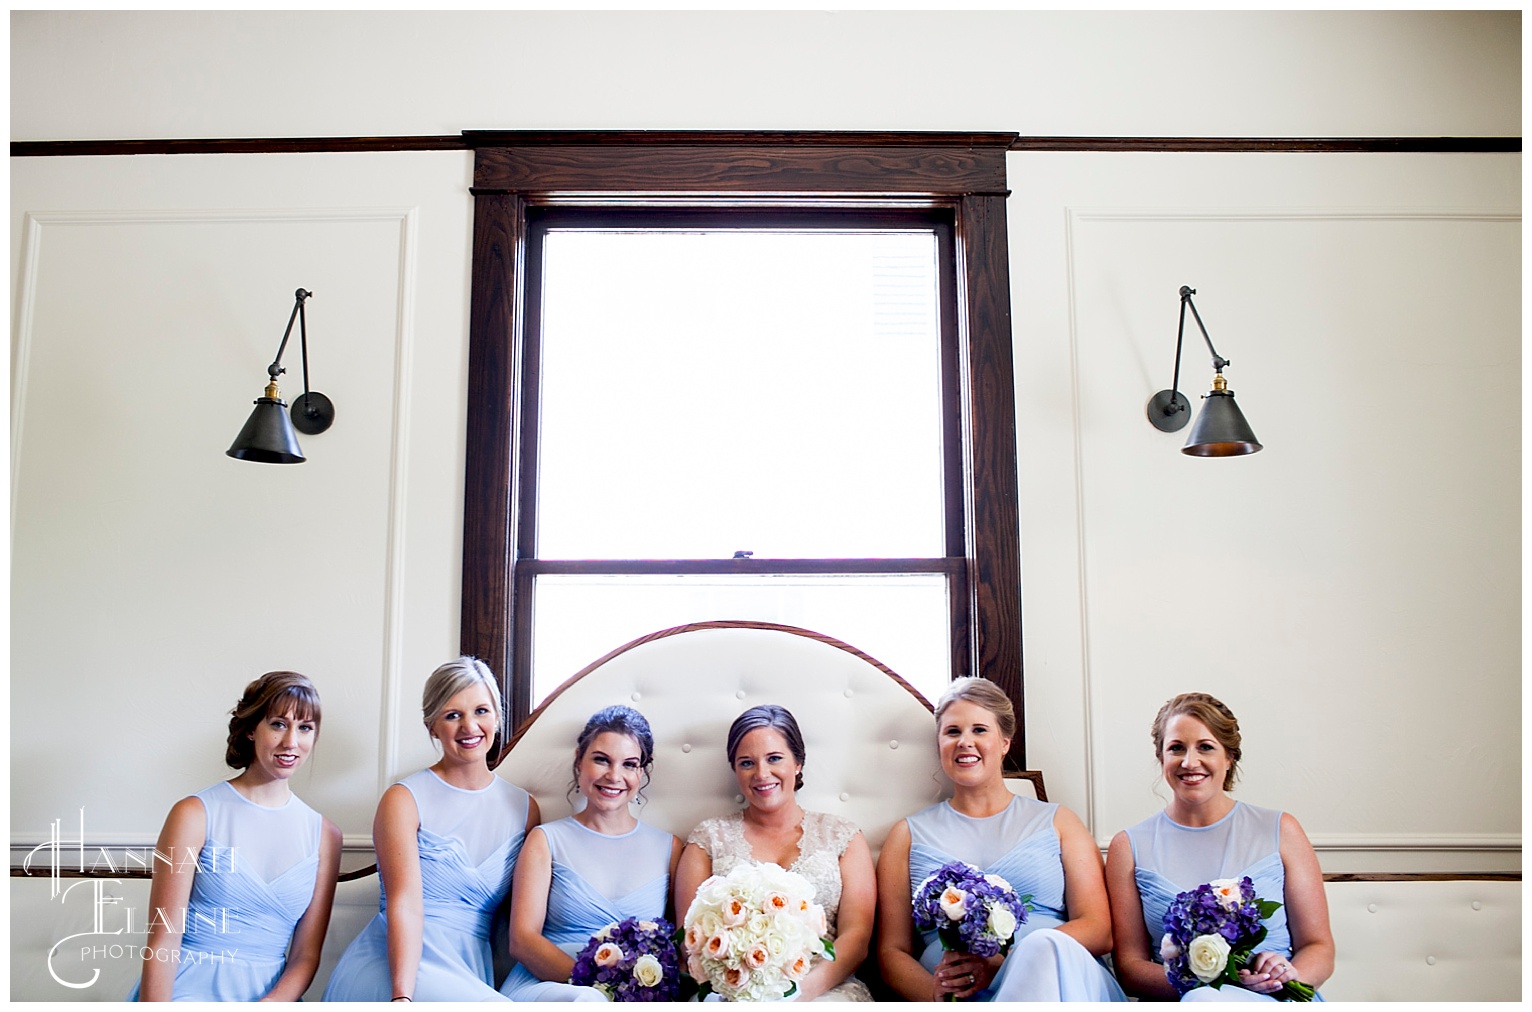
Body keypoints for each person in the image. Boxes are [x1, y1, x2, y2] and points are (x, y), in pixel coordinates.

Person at [876, 677, 1125, 1001]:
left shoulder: (1059, 822)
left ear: (1005, 741)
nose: (965, 741)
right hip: (959, 997)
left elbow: (1098, 928)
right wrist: (938, 997)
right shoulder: (906, 836)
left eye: (979, 730)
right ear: (939, 744)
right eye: (953, 732)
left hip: (1063, 983)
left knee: (1043, 948)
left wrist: (1005, 960)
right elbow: (892, 952)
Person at [323, 657, 538, 1002]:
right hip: (397, 967)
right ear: (432, 727)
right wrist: (402, 997)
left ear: (498, 716)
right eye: (453, 715)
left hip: (467, 971)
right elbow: (405, 904)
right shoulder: (404, 800)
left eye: (481, 711)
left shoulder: (524, 809)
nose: (470, 726)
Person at [1105, 692, 1334, 1001]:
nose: (1189, 762)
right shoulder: (1128, 846)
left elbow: (1318, 947)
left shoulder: (1282, 830)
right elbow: (1130, 969)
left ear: (1229, 757)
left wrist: (1286, 976)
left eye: (1205, 747)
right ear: (1161, 758)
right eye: (1176, 748)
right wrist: (1211, 983)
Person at [130, 671, 341, 1001]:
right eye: (278, 724)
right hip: (188, 991)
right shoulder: (194, 814)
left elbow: (305, 957)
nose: (291, 742)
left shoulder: (325, 835)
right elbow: (163, 940)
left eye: (305, 727)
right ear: (250, 730)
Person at [675, 704, 875, 1002]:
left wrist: (796, 996)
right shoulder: (708, 839)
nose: (761, 773)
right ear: (735, 770)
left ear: (798, 763)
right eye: (746, 763)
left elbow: (856, 939)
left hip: (826, 988)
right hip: (731, 994)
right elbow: (689, 940)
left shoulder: (842, 836)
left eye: (774, 759)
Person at [499, 705, 683, 1000]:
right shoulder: (546, 840)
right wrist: (600, 989)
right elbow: (522, 940)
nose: (614, 775)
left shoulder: (670, 849)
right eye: (601, 760)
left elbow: (676, 946)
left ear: (641, 772)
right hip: (550, 986)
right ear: (579, 761)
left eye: (629, 764)